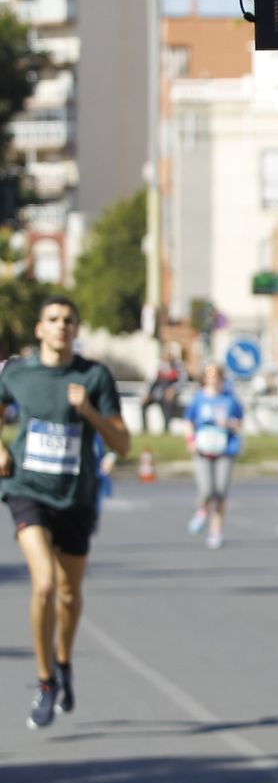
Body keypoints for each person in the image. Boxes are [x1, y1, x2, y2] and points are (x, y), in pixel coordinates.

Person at [0, 295, 131, 729]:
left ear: (77, 330)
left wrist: (88, 410)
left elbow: (123, 444)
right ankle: (44, 681)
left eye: (69, 320)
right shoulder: (17, 373)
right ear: (39, 329)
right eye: (53, 320)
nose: (61, 326)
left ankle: (63, 662)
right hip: (27, 490)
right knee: (43, 586)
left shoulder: (93, 376)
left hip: (75, 496)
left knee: (70, 594)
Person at [184, 362, 245, 550]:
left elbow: (239, 422)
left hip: (225, 449)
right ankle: (202, 510)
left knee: (220, 492)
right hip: (203, 449)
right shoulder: (199, 399)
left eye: (216, 375)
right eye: (209, 375)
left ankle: (216, 531)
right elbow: (188, 421)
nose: (212, 379)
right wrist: (191, 441)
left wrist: (228, 423)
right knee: (207, 490)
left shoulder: (230, 399)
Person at [140, 342, 186, 434]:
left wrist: (173, 390)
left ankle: (166, 429)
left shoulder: (178, 367)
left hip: (169, 394)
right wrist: (147, 393)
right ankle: (144, 429)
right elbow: (151, 381)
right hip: (157, 393)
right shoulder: (159, 365)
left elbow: (181, 381)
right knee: (143, 404)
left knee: (167, 404)